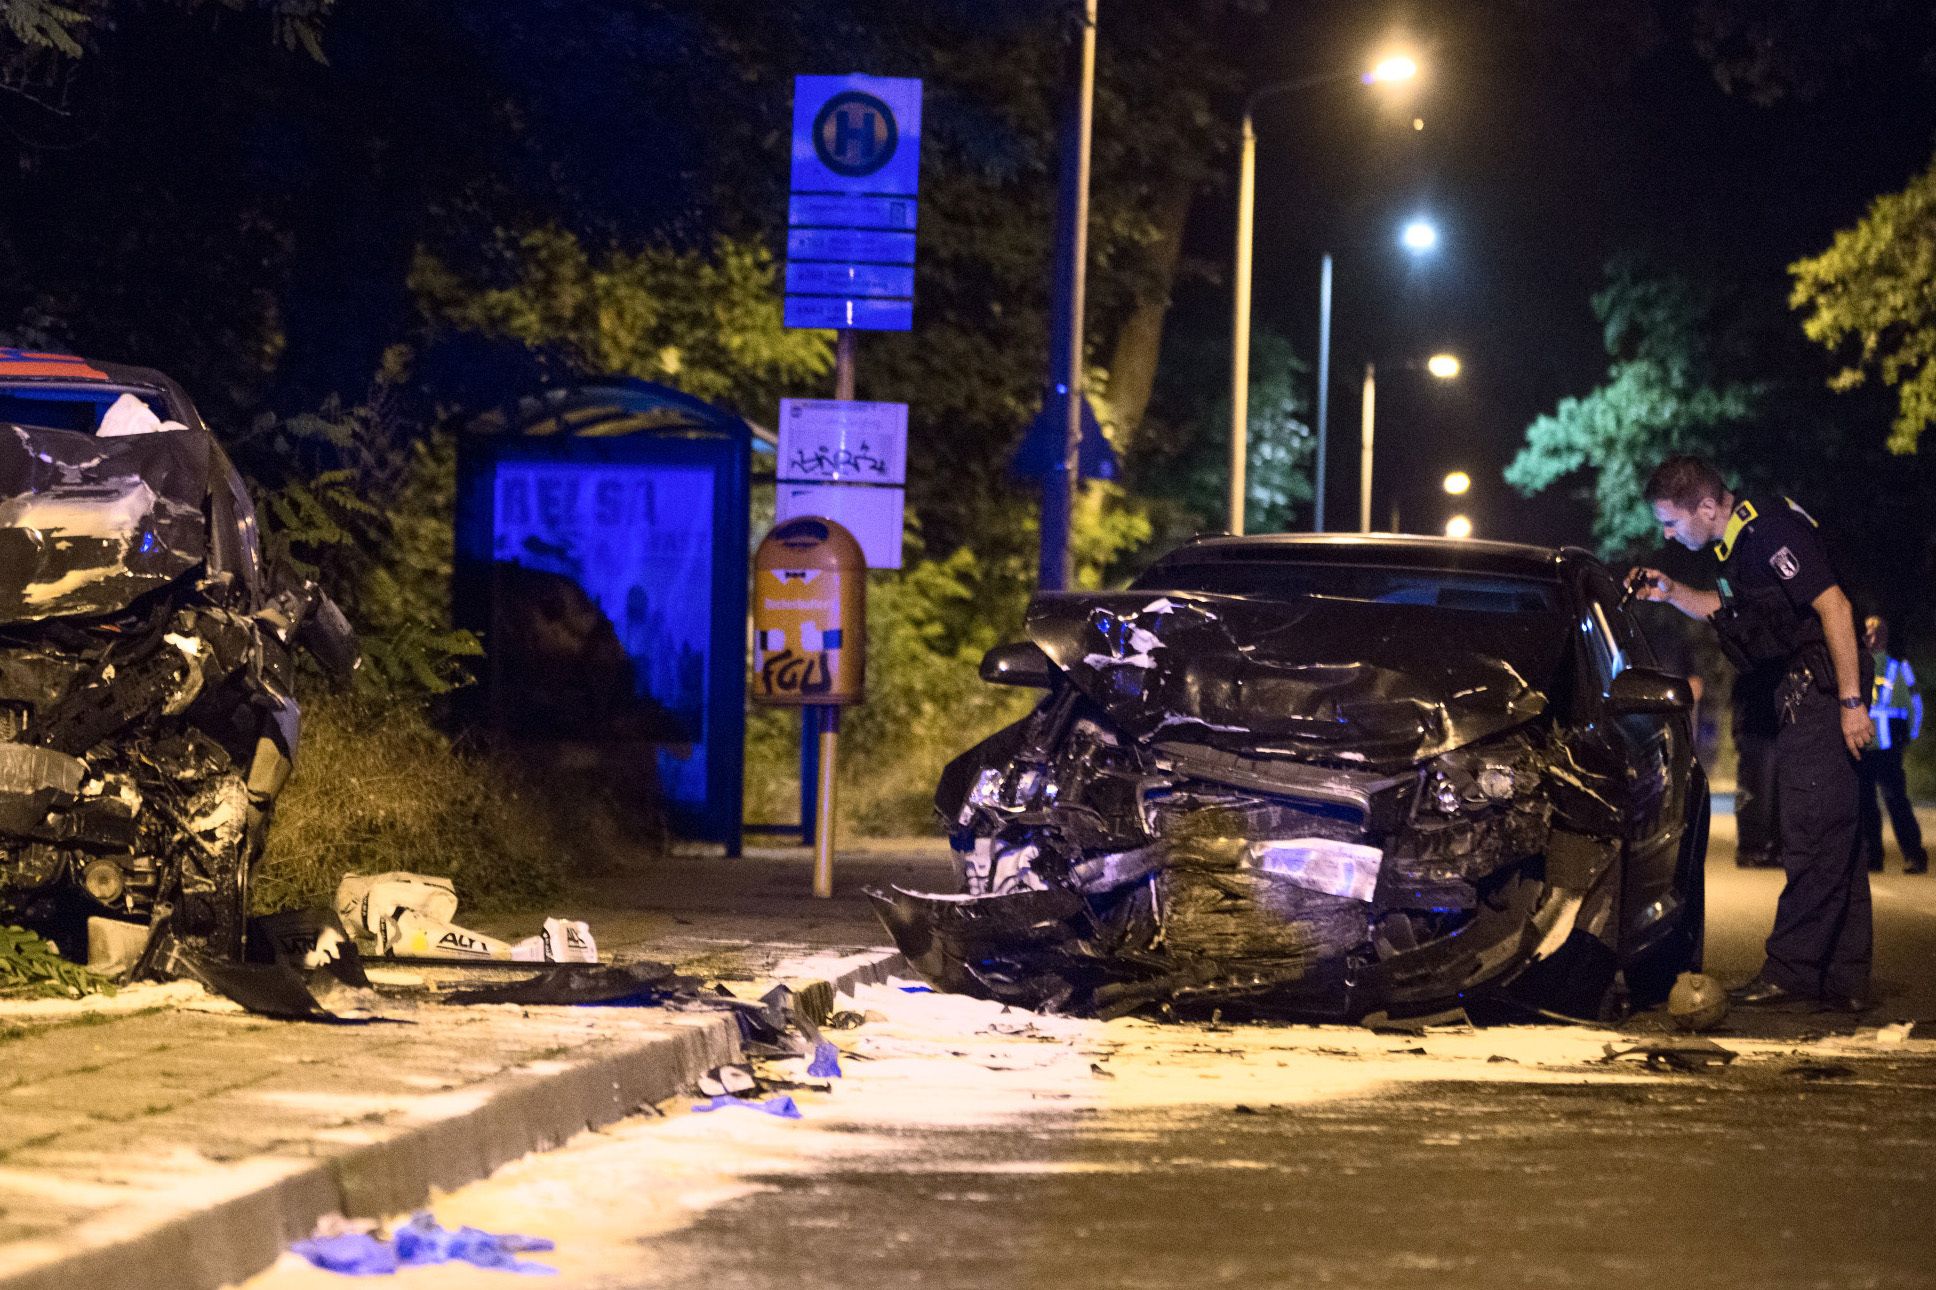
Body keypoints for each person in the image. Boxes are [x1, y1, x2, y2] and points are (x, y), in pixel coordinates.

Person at [1628, 456, 1874, 1011]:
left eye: (1671, 522)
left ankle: (1790, 972)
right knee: (1837, 837)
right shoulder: (1736, 544)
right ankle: (1843, 977)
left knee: (1811, 834)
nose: (1665, 534)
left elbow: (1834, 606)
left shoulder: (1769, 533)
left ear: (1708, 507)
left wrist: (1851, 702)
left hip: (1820, 691)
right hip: (1806, 691)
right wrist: (1671, 592)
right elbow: (1731, 610)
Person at [1858, 615, 1927, 875]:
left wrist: (1911, 732)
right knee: (1865, 803)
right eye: (1868, 632)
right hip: (1864, 744)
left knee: (1896, 800)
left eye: (1876, 633)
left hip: (1888, 746)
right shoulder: (1859, 662)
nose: (1871, 637)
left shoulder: (1899, 666)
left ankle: (1914, 855)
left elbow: (1915, 702)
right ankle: (1872, 857)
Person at [1730, 661, 1783, 868]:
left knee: (1780, 793)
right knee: (1754, 791)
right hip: (1756, 727)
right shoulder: (1754, 656)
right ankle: (1751, 847)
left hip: (1777, 727)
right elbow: (1740, 692)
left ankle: (1776, 847)